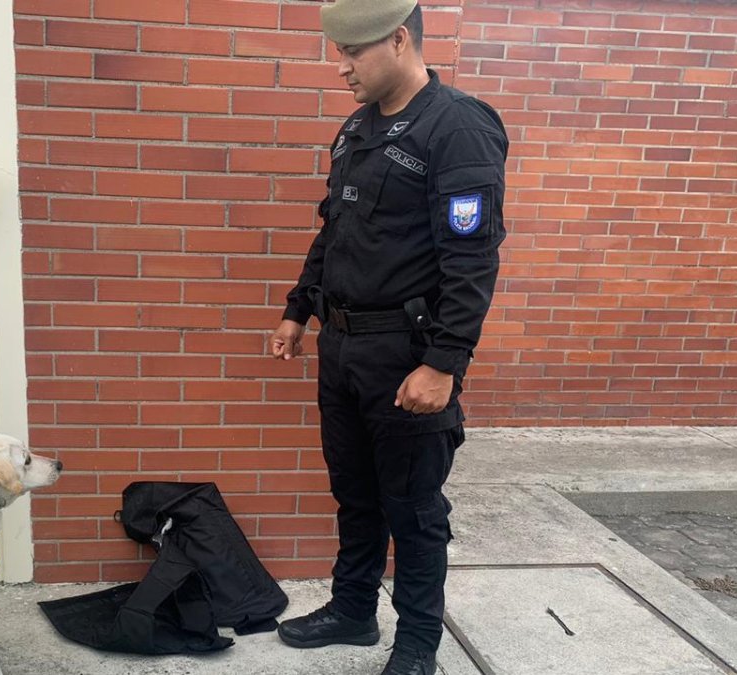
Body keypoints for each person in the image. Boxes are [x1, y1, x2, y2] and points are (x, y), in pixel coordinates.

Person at [269, 0, 508, 673]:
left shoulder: (456, 128)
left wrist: (443, 365)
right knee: (356, 493)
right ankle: (352, 610)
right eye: (338, 53)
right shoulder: (355, 130)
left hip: (406, 356)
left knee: (415, 508)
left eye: (352, 53)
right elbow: (335, 232)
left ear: (399, 39)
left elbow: (472, 262)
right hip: (342, 349)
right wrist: (299, 309)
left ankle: (417, 645)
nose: (339, 67)